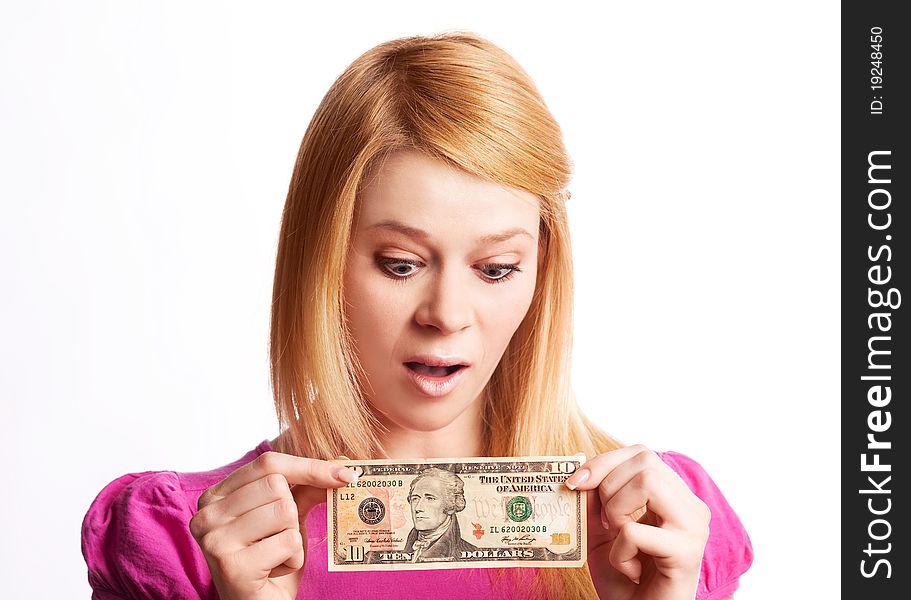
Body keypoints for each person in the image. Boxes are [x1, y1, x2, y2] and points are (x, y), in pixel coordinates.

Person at [81, 32, 753, 599]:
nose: (447, 315)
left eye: (495, 270)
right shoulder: (181, 542)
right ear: (323, 263)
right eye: (400, 265)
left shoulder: (661, 523)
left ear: (541, 271)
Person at [403, 468, 478, 562]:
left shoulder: (470, 553)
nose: (418, 508)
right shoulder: (407, 548)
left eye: (430, 498)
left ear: (450, 505)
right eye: (415, 499)